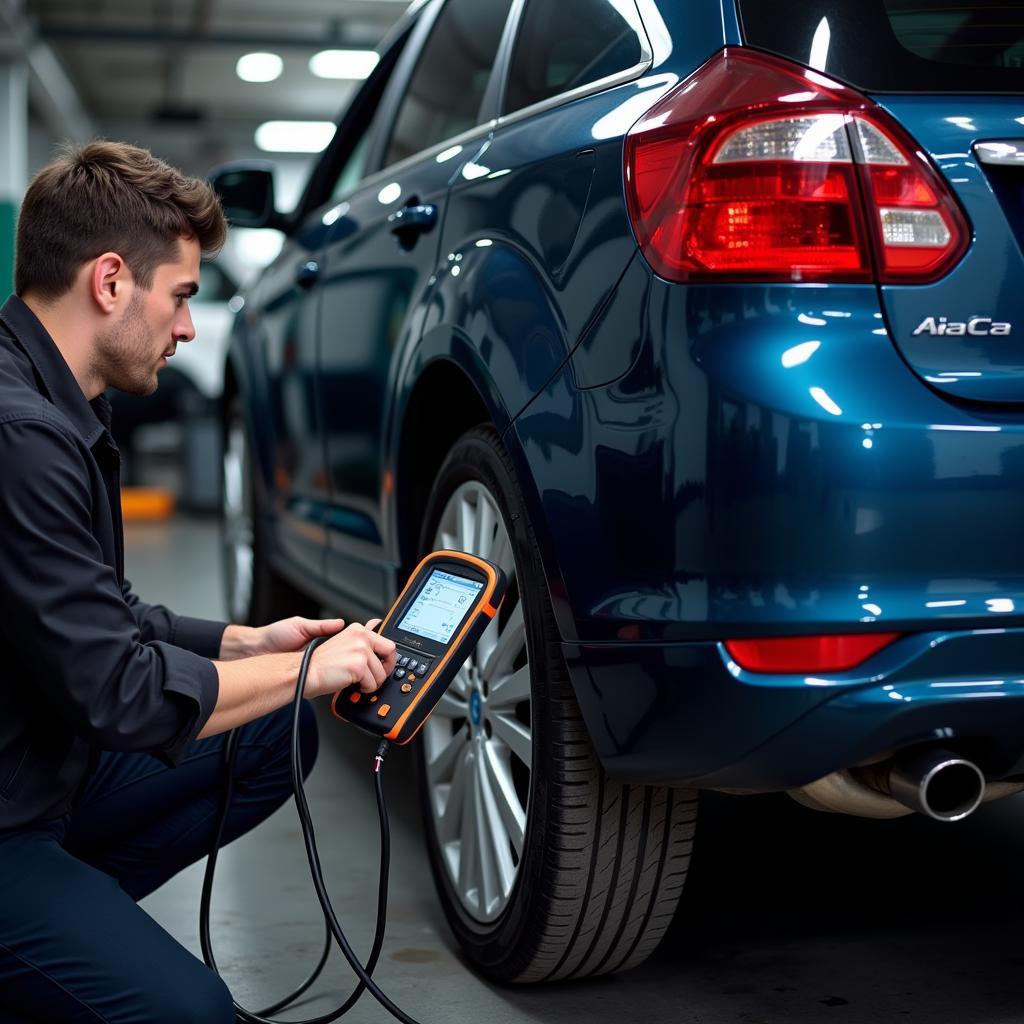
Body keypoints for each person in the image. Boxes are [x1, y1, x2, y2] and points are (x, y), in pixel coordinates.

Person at [0, 141, 397, 1024]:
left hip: (38, 769)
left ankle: (65, 936)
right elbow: (120, 697)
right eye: (180, 297)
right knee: (196, 1015)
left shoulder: (66, 398)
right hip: (6, 822)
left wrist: (245, 645)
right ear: (110, 282)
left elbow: (103, 613)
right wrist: (308, 669)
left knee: (271, 734)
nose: (188, 328)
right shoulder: (20, 434)